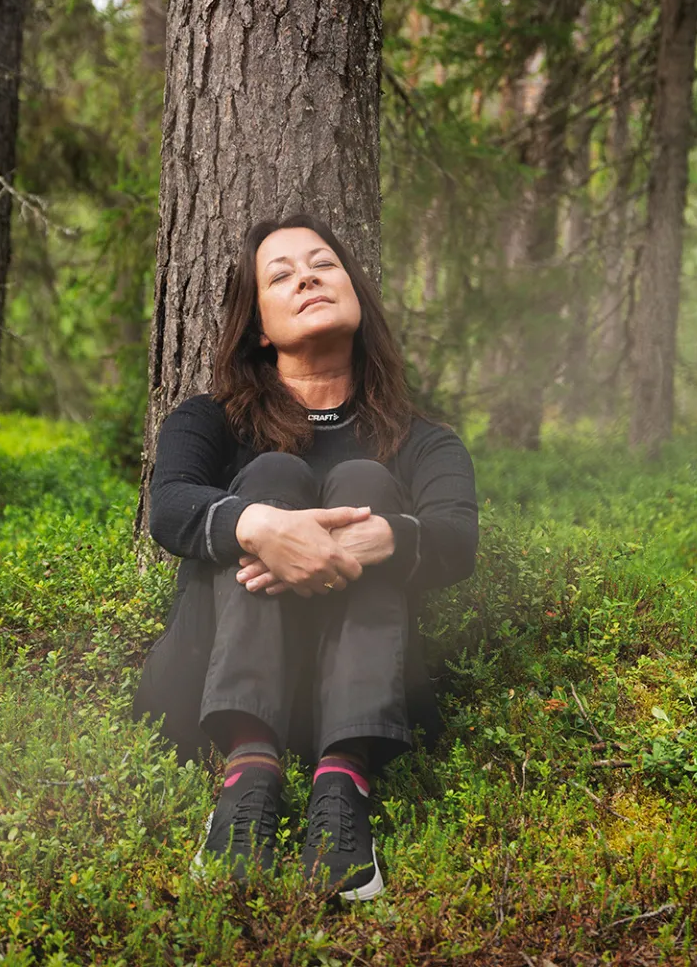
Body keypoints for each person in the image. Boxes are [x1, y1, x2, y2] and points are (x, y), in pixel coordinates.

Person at [132, 215, 479, 902]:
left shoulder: (424, 440)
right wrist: (260, 525)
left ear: (356, 295)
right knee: (271, 476)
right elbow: (168, 505)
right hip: (210, 688)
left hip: (363, 700)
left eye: (323, 265)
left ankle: (342, 785)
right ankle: (248, 776)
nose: (308, 279)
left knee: (366, 485)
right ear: (259, 326)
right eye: (281, 275)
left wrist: (381, 538)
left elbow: (457, 538)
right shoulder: (209, 420)